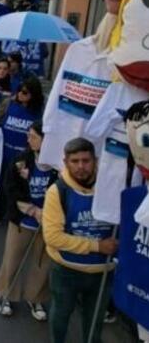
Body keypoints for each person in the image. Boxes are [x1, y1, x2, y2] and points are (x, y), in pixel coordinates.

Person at [43, 137, 117, 343]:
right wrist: (97, 246)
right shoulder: (57, 191)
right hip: (66, 270)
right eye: (75, 161)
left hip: (102, 271)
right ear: (66, 162)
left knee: (94, 323)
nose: (81, 167)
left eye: (86, 160)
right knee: (61, 317)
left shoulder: (110, 188)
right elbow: (53, 237)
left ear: (95, 160)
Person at [0, 122, 57, 320]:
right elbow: (10, 188)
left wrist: (47, 213)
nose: (28, 140)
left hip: (47, 223)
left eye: (34, 137)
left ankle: (35, 297)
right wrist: (31, 210)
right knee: (12, 258)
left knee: (42, 262)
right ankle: (6, 294)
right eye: (29, 135)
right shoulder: (21, 161)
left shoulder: (58, 167)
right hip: (23, 221)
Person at [0, 77, 45, 222]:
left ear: (34, 94)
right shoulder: (9, 104)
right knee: (0, 185)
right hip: (3, 153)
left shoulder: (40, 113)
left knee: (18, 187)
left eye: (25, 92)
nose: (20, 94)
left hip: (23, 158)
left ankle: (16, 217)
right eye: (19, 90)